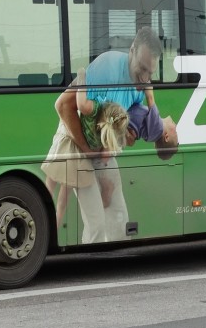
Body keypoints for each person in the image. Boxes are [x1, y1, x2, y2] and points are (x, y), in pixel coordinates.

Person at [52, 27, 179, 243]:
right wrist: (87, 150)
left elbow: (122, 123)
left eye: (151, 72)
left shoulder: (141, 85)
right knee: (96, 223)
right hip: (78, 142)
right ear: (131, 51)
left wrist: (124, 137)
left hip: (101, 147)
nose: (146, 79)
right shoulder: (106, 68)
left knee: (119, 219)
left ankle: (113, 268)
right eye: (141, 69)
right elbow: (63, 105)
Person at [42, 77, 130, 224]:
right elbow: (104, 157)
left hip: (65, 143)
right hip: (76, 155)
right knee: (63, 200)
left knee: (49, 186)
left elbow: (80, 103)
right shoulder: (102, 136)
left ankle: (43, 218)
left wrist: (83, 76)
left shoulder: (93, 110)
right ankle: (55, 227)